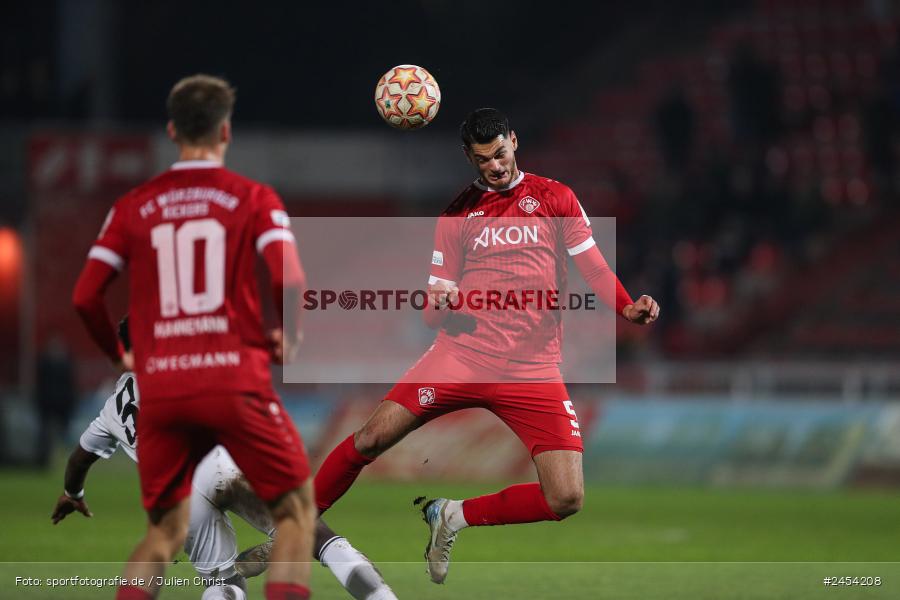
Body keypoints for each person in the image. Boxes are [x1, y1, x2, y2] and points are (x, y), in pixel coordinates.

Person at [312, 108, 660, 584]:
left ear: (514, 141)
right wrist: (442, 301)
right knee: (370, 438)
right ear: (468, 158)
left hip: (532, 370)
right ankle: (296, 522)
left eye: (500, 153)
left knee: (566, 498)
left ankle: (451, 516)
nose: (495, 166)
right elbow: (432, 312)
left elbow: (594, 268)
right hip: (461, 356)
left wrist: (625, 308)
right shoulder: (457, 214)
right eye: (483, 159)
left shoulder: (555, 198)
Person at [72, 74, 315, 600]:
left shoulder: (134, 206)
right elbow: (290, 278)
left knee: (162, 533)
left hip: (164, 389)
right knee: (296, 514)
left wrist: (120, 356)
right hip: (233, 380)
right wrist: (288, 337)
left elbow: (85, 297)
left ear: (171, 130)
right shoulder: (253, 198)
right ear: (225, 131)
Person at [51, 319, 397, 600]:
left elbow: (79, 460)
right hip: (221, 463)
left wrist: (73, 494)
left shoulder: (112, 408)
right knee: (312, 533)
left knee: (222, 581)